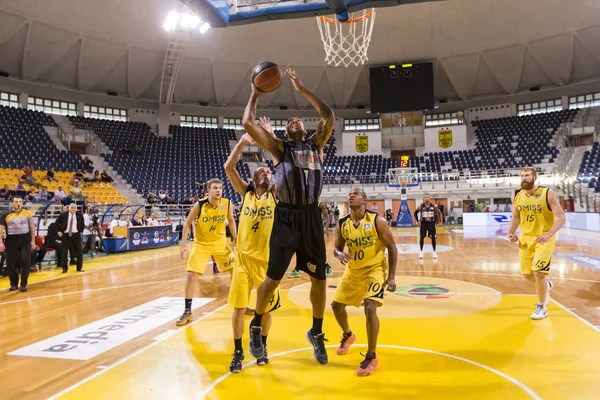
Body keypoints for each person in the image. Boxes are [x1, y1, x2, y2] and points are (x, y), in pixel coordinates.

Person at [242, 68, 334, 364]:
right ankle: (256, 324)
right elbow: (247, 122)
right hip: (285, 217)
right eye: (289, 121)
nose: (295, 120)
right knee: (272, 279)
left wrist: (302, 89)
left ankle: (316, 332)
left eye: (299, 120)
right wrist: (256, 92)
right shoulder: (280, 149)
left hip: (310, 218)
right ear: (284, 132)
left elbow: (329, 115)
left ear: (305, 129)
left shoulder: (316, 144)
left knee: (319, 281)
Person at [224, 132, 280, 372]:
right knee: (239, 308)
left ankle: (262, 346)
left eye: (268, 172)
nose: (266, 173)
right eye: (261, 172)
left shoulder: (276, 195)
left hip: (268, 263)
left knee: (266, 310)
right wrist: (242, 143)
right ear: (254, 178)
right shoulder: (246, 192)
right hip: (243, 261)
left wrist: (273, 140)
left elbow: (286, 171)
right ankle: (237, 352)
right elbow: (228, 167)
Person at [332, 188, 397, 376]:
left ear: (364, 200)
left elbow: (392, 247)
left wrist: (391, 276)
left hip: (374, 269)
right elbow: (336, 248)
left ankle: (371, 356)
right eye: (349, 194)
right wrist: (339, 254)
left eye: (356, 193)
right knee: (336, 307)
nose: (351, 195)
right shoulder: (343, 223)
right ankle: (348, 335)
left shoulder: (377, 221)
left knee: (369, 307)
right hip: (352, 270)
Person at [177, 178, 237, 326]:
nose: (218, 190)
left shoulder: (227, 203)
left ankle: (240, 304)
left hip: (220, 243)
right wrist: (184, 245)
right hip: (201, 244)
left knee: (236, 270)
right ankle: (187, 310)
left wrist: (235, 238)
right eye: (215, 188)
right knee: (191, 275)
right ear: (208, 191)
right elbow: (187, 223)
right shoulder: (200, 204)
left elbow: (231, 220)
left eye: (220, 188)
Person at [507, 167, 565, 320]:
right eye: (522, 176)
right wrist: (511, 232)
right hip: (525, 238)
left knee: (539, 273)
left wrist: (549, 234)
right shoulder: (516, 194)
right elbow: (516, 217)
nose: (524, 178)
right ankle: (547, 286)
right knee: (527, 275)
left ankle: (542, 307)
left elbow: (561, 217)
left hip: (543, 238)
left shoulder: (547, 193)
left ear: (534, 177)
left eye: (527, 175)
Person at [287, 200, 332, 278]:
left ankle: (327, 266)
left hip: (316, 230)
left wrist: (327, 229)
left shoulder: (320, 204)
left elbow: (327, 216)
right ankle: (297, 269)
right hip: (304, 229)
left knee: (318, 250)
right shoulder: (303, 203)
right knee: (299, 249)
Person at [0, 197, 36, 291]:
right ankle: (13, 283)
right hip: (11, 240)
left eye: (20, 202)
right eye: (16, 202)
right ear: (12, 203)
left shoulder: (27, 213)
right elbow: (1, 229)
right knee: (11, 262)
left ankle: (23, 283)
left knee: (25, 260)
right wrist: (0, 242)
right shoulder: (6, 214)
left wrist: (33, 241)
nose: (18, 203)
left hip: (25, 239)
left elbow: (32, 227)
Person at [56, 203, 85, 273]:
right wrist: (58, 231)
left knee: (79, 251)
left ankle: (79, 268)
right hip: (65, 234)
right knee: (64, 251)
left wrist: (81, 231)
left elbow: (82, 224)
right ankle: (64, 268)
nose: (73, 209)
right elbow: (56, 224)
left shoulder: (80, 215)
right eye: (71, 208)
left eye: (74, 208)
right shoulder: (63, 215)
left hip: (76, 234)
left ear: (76, 209)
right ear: (69, 208)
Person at [413, 194, 442, 259]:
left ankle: (434, 252)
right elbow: (415, 213)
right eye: (425, 197)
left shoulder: (434, 206)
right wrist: (418, 221)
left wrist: (440, 221)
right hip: (423, 224)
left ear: (430, 199)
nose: (426, 198)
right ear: (424, 199)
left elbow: (439, 213)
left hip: (431, 224)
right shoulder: (421, 206)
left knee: (433, 238)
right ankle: (421, 252)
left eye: (428, 197)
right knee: (421, 237)